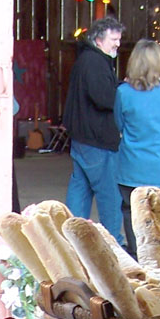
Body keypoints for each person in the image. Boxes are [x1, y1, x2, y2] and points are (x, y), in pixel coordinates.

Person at [114, 39, 160, 257]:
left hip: (133, 165)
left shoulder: (123, 93)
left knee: (132, 213)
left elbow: (119, 124)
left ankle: (138, 259)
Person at [62, 16, 125, 242]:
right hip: (98, 139)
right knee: (109, 195)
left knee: (81, 188)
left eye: (119, 39)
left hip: (81, 136)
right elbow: (104, 98)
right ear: (99, 39)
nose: (117, 43)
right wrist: (122, 90)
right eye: (114, 39)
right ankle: (113, 243)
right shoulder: (96, 63)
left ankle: (72, 238)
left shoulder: (86, 59)